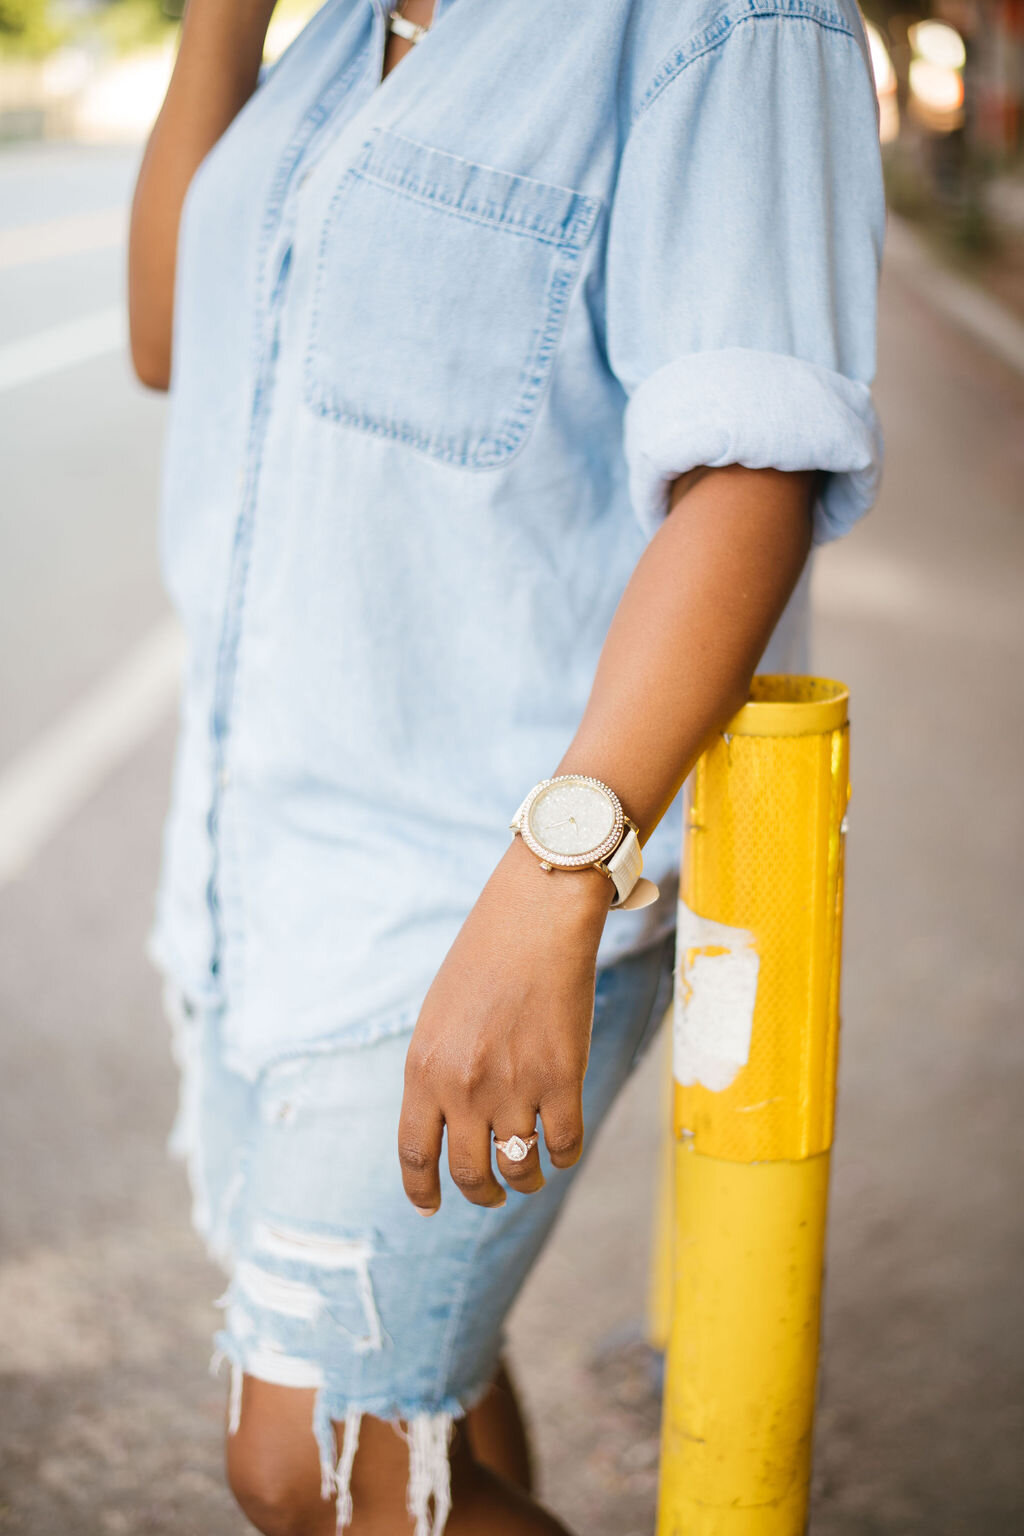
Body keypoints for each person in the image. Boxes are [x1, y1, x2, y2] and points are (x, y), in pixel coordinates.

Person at [127, 0, 884, 1530]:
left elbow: (754, 474)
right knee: (429, 1404)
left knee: (309, 1463)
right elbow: (167, 341)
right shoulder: (344, 36)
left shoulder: (724, 20)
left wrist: (552, 883)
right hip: (260, 868)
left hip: (488, 886)